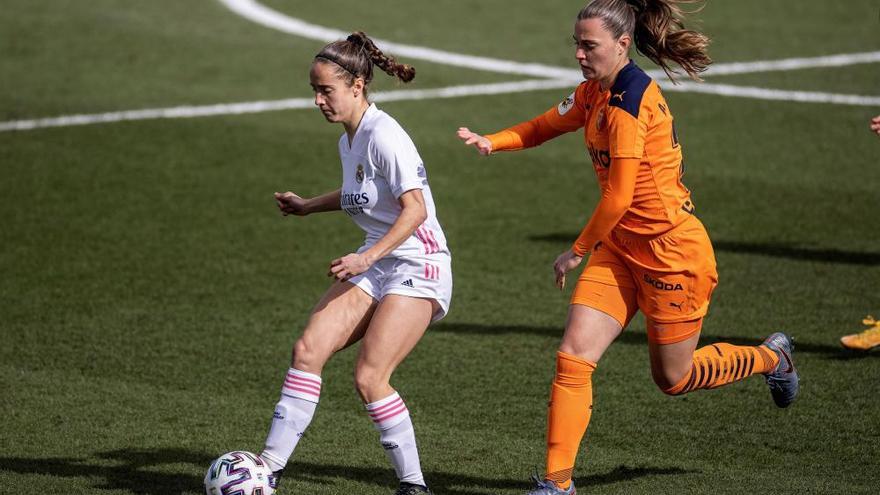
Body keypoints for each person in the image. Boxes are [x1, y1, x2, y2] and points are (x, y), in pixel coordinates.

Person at [456, 1, 798, 493]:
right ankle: (557, 483)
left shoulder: (627, 105)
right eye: (576, 43)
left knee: (673, 379)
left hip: (671, 256)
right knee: (573, 356)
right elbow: (545, 126)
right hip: (620, 250)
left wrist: (575, 250)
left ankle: (772, 358)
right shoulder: (596, 91)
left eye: (588, 45)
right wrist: (495, 140)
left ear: (621, 44)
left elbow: (618, 197)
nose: (578, 53)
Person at [262, 32, 451, 495]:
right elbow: (359, 195)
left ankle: (414, 486)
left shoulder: (386, 136)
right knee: (308, 351)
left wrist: (366, 256)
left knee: (370, 376)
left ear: (357, 86)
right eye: (315, 90)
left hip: (418, 263)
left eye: (325, 90)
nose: (318, 101)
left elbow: (415, 210)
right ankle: (268, 468)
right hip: (379, 259)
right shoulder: (350, 141)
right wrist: (308, 205)